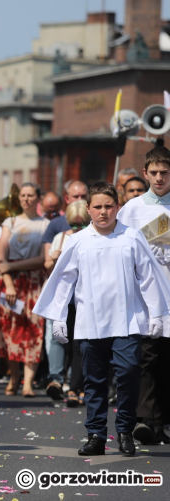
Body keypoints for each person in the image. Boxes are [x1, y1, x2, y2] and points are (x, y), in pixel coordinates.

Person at [34, 182, 170, 457]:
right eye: (98, 206)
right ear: (88, 209)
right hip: (90, 322)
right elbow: (62, 281)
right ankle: (95, 434)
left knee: (130, 373)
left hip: (128, 321)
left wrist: (157, 313)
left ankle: (124, 430)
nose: (103, 212)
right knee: (94, 382)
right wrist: (59, 317)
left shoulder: (132, 237)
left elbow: (149, 276)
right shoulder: (78, 241)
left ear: (117, 207)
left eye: (109, 206)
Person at [117, 146, 170, 445]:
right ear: (146, 173)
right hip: (146, 296)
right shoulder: (133, 208)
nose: (159, 178)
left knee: (166, 361)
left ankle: (161, 422)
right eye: (154, 172)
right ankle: (145, 420)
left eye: (165, 172)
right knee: (146, 358)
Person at [0, 182, 49, 398]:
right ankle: (14, 377)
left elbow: (43, 258)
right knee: (9, 329)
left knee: (34, 329)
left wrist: (12, 267)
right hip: (11, 282)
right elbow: (1, 256)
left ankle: (28, 382)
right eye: (23, 195)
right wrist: (8, 281)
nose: (26, 199)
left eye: (30, 195)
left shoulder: (45, 224)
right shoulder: (11, 221)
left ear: (38, 198)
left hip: (34, 281)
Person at [43, 200, 89, 406]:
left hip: (84, 296)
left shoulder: (90, 238)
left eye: (82, 225)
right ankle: (57, 379)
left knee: (81, 343)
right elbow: (47, 266)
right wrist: (55, 259)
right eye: (74, 225)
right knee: (60, 339)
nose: (77, 229)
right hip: (63, 297)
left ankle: (77, 385)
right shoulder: (60, 238)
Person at [42, 181, 88, 280]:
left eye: (83, 196)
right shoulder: (56, 226)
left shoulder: (97, 226)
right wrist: (54, 260)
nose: (80, 200)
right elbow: (47, 263)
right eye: (76, 196)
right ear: (67, 198)